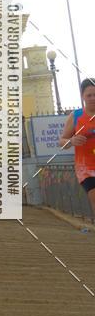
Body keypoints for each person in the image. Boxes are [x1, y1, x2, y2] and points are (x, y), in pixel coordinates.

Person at [60, 78, 95, 216]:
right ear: (82, 96)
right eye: (89, 95)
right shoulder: (76, 116)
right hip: (86, 168)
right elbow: (62, 142)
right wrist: (72, 141)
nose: (93, 98)